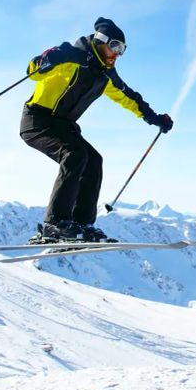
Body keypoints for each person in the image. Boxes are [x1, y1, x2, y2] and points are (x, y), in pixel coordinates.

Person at [20, 17, 173, 243]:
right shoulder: (71, 57)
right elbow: (33, 72)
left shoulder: (104, 75)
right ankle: (55, 224)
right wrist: (47, 57)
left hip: (65, 127)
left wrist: (154, 118)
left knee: (94, 161)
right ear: (101, 41)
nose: (117, 54)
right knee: (75, 154)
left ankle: (82, 224)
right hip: (38, 121)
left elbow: (128, 97)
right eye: (115, 47)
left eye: (122, 50)